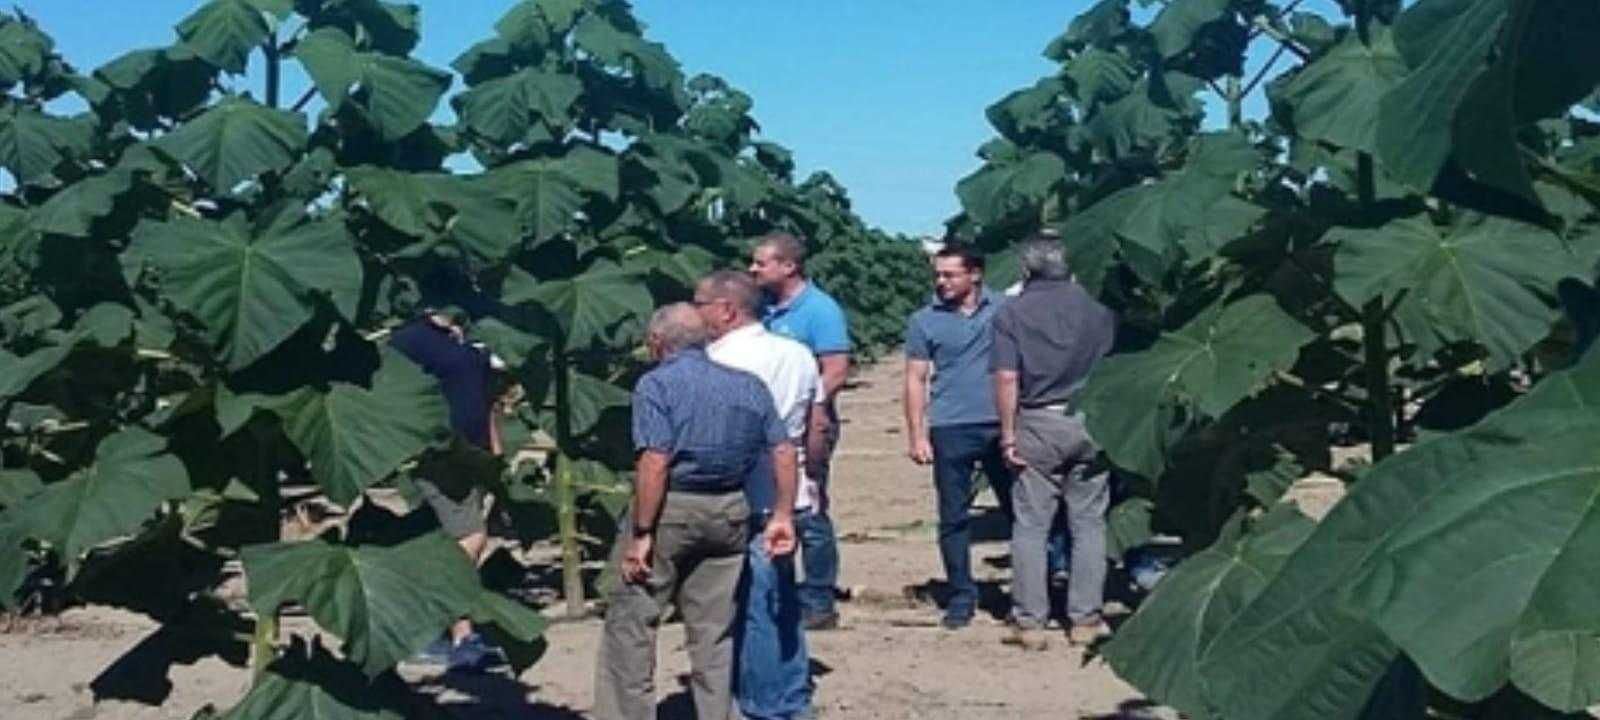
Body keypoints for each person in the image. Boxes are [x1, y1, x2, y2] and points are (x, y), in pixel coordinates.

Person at [594, 304, 799, 720]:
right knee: (714, 630)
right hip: (729, 510)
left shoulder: (657, 385)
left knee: (632, 623)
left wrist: (642, 532)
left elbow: (655, 459)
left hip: (673, 507)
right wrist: (783, 514)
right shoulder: (748, 385)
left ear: (656, 343)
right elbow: (782, 448)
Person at [695, 271, 823, 720]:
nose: (696, 313)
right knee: (782, 600)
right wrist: (814, 477)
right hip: (794, 492)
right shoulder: (799, 354)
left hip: (747, 495)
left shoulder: (716, 360)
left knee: (752, 604)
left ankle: (767, 704)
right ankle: (790, 693)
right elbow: (816, 426)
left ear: (727, 310)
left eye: (701, 304)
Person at [991, 235, 1116, 650]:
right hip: (1091, 418)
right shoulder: (1099, 311)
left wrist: (1008, 433)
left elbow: (1007, 377)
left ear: (1027, 269)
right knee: (1090, 522)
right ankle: (1085, 619)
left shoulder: (1013, 313)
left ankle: (1030, 622)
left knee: (1031, 524)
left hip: (1038, 419)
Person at [902, 243, 1012, 630]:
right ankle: (962, 595)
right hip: (951, 425)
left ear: (976, 274)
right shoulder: (924, 320)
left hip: (1003, 424)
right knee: (953, 515)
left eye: (950, 274)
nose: (941, 282)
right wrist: (917, 434)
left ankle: (1029, 592)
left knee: (1021, 512)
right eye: (938, 274)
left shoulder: (1005, 310)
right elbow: (915, 377)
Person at [390, 310, 504, 671]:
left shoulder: (467, 336)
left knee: (449, 544)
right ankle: (421, 629)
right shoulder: (411, 338)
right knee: (470, 538)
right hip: (439, 454)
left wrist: (494, 449)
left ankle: (461, 635)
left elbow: (484, 398)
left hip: (471, 453)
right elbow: (389, 387)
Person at [749, 231, 849, 630]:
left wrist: (810, 403)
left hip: (806, 424)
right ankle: (781, 590)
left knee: (810, 508)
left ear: (788, 266)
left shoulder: (819, 310)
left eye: (760, 262)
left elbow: (837, 367)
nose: (752, 269)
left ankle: (819, 598)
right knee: (775, 505)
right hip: (765, 429)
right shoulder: (765, 309)